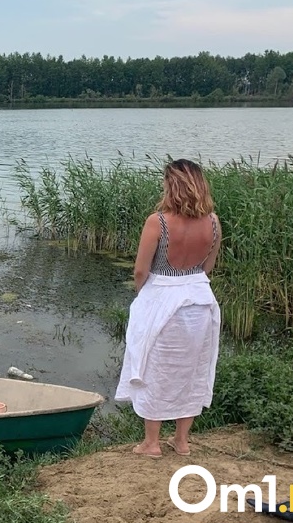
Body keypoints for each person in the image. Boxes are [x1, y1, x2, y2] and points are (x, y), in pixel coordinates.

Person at [114, 159, 222, 459]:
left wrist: (145, 296)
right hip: (201, 303)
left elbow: (140, 270)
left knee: (156, 370)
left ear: (171, 185)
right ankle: (182, 441)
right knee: (192, 370)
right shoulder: (213, 221)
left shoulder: (158, 221)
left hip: (163, 301)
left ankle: (151, 443)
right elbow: (207, 267)